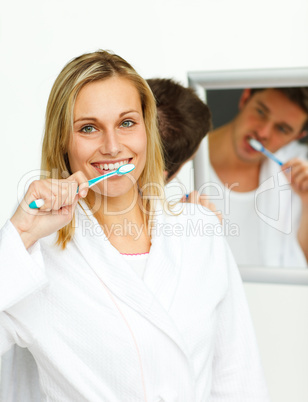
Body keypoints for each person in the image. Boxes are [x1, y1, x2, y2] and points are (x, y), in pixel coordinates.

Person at [0, 50, 269, 401]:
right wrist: (20, 235)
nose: (112, 147)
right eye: (88, 128)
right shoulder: (35, 253)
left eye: (127, 123)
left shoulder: (200, 230)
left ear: (147, 130)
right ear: (62, 142)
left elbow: (239, 379)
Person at [206, 87, 308, 267]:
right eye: (261, 112)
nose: (263, 133)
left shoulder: (299, 174)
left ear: (297, 136)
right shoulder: (177, 160)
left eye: (282, 129)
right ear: (245, 98)